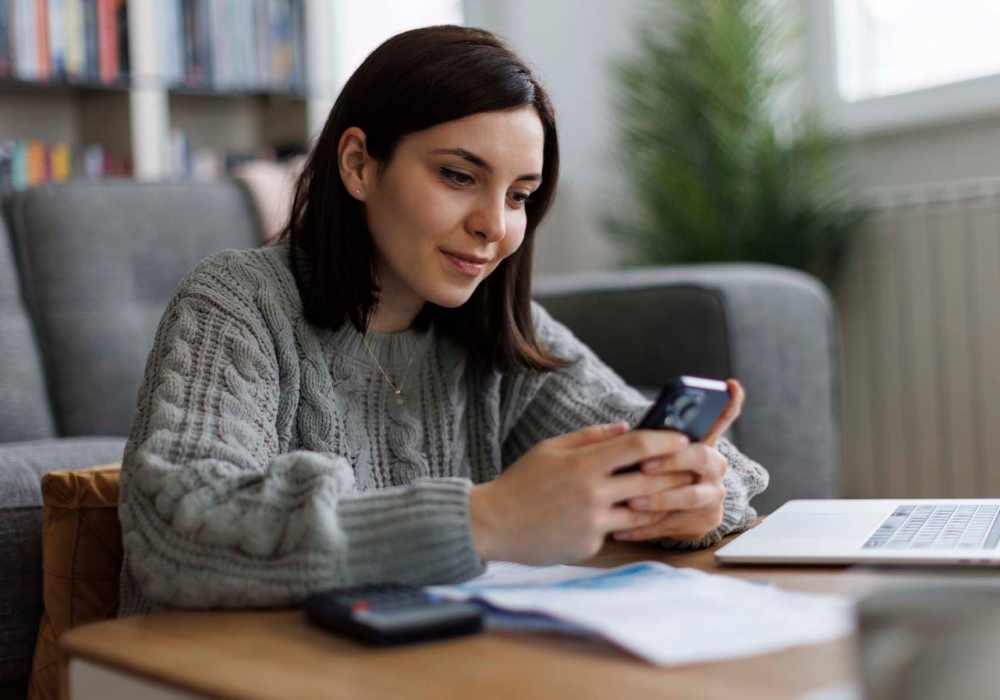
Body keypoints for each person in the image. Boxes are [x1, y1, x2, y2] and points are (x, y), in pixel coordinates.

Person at [117, 25, 768, 615]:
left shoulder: (502, 333)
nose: (494, 224)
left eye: (519, 196)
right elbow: (183, 533)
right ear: (358, 165)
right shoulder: (236, 302)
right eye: (459, 176)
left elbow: (728, 472)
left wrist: (692, 500)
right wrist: (487, 519)